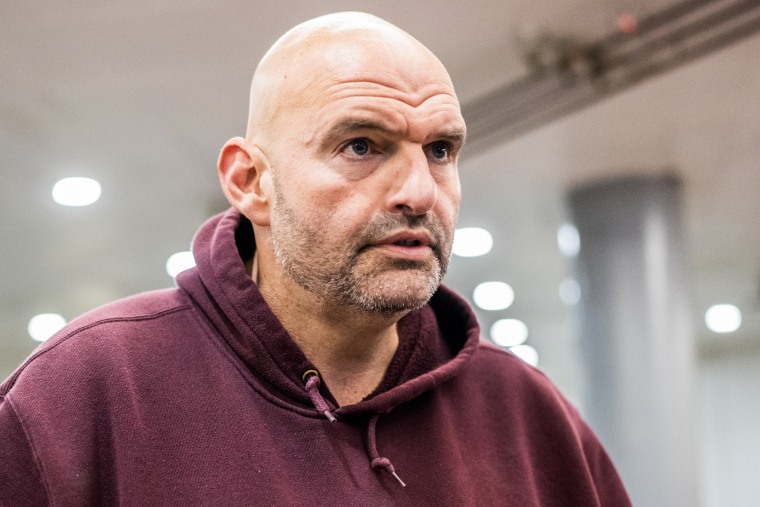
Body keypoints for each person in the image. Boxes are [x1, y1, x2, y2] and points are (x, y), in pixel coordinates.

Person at [0, 12, 631, 506]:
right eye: (361, 145)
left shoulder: (531, 418)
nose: (418, 192)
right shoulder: (85, 394)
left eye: (440, 150)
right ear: (250, 180)